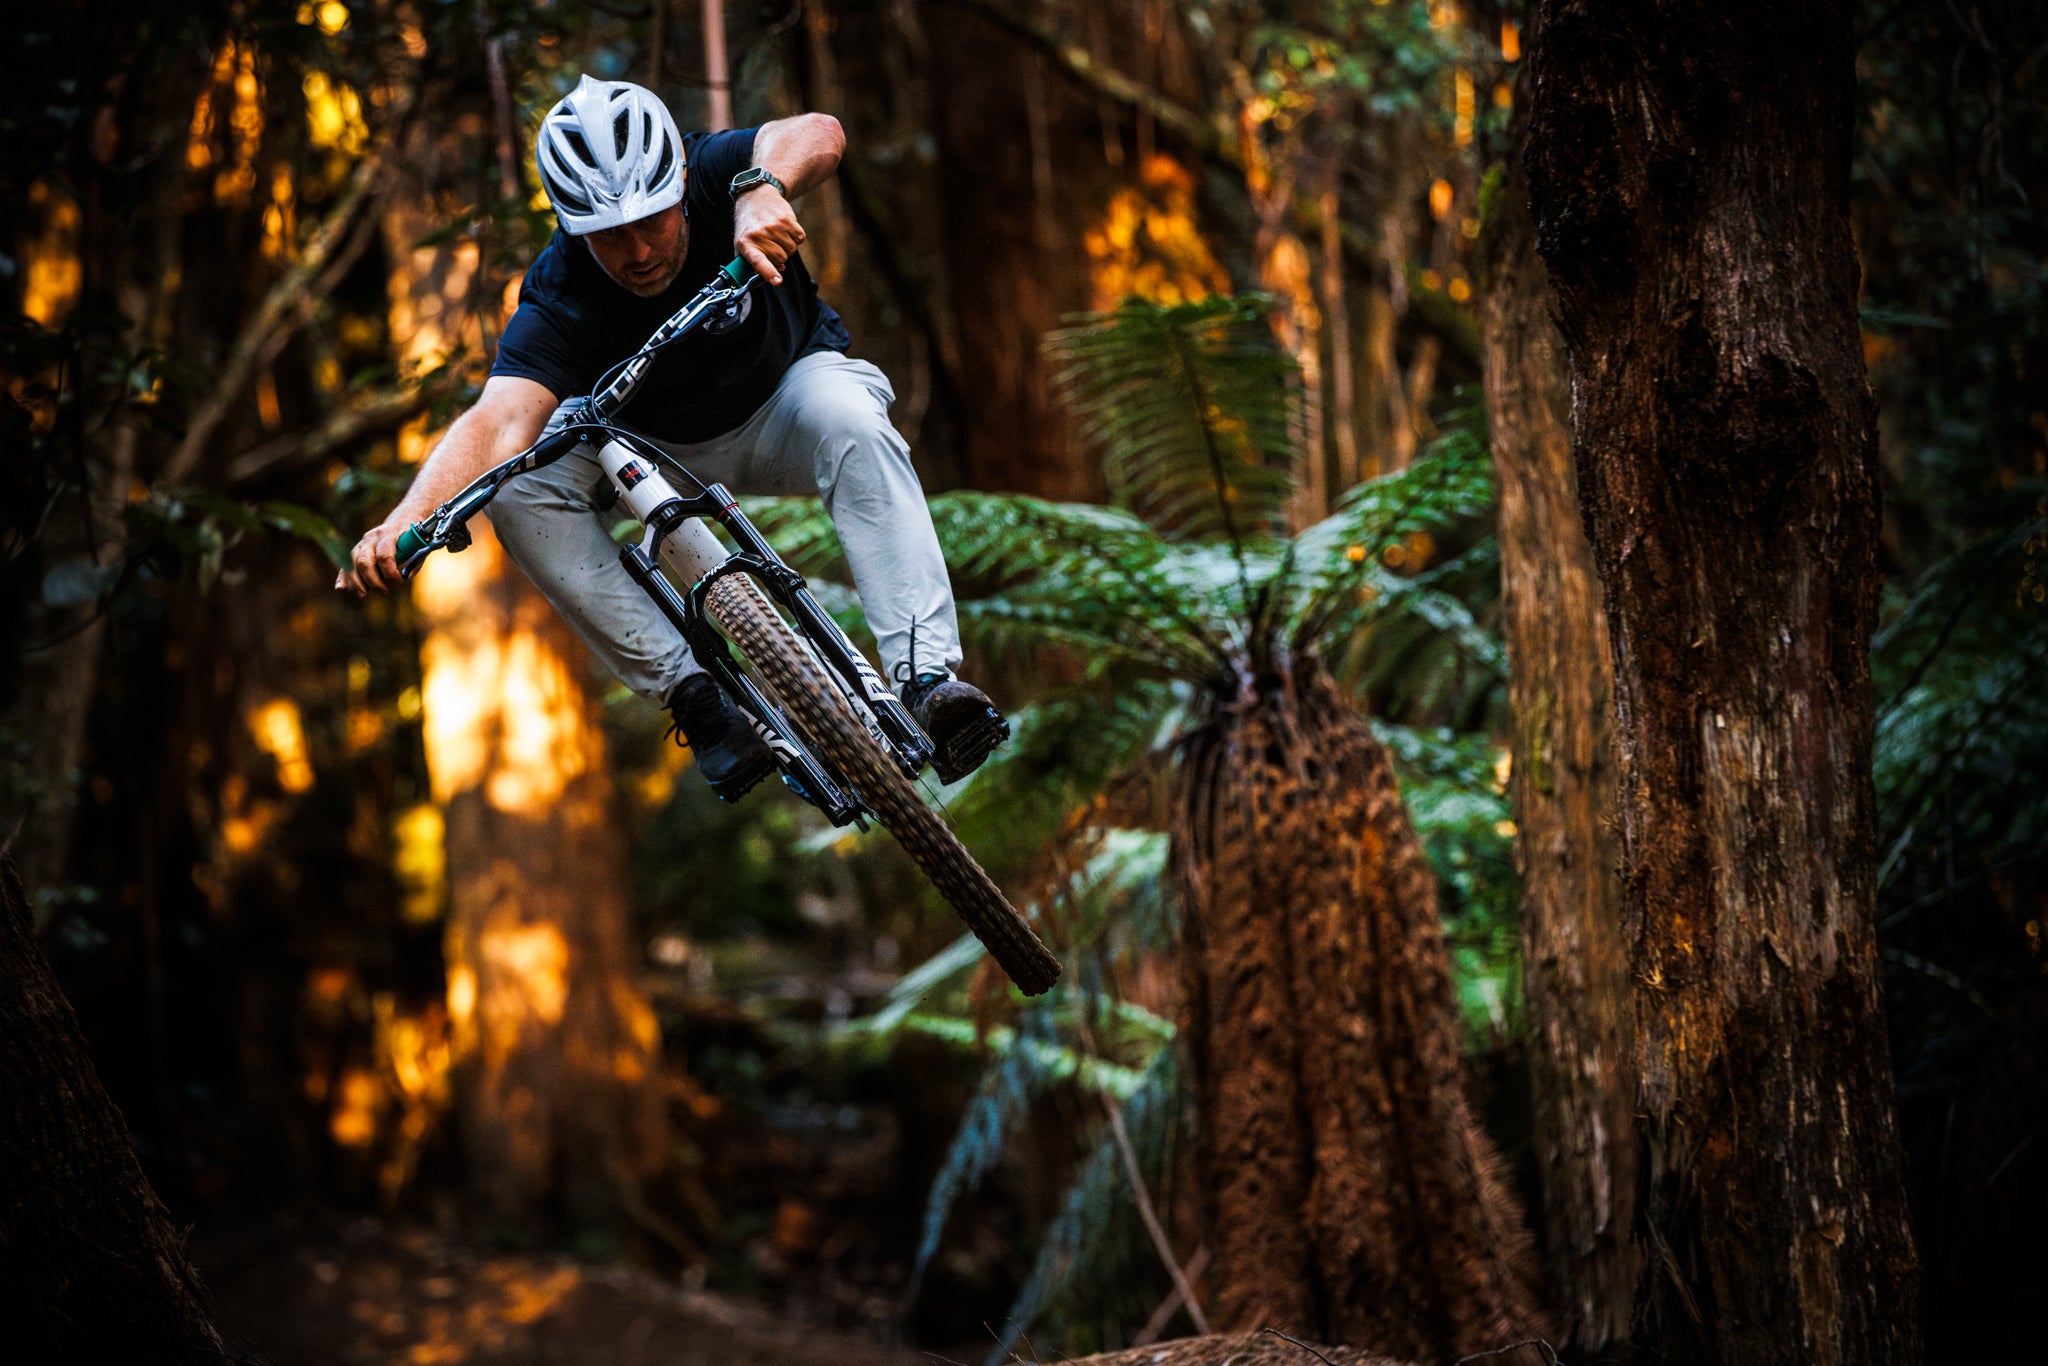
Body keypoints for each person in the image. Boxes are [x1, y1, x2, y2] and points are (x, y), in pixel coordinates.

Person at [338, 76, 1006, 800]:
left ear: (680, 185)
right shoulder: (557, 294)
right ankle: (701, 702)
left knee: (851, 417)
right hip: (650, 455)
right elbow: (499, 418)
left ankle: (928, 684)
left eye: (652, 220)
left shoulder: (720, 173)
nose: (637, 250)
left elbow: (821, 131)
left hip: (787, 403)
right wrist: (411, 519)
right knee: (521, 484)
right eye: (605, 234)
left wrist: (761, 189)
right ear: (569, 227)